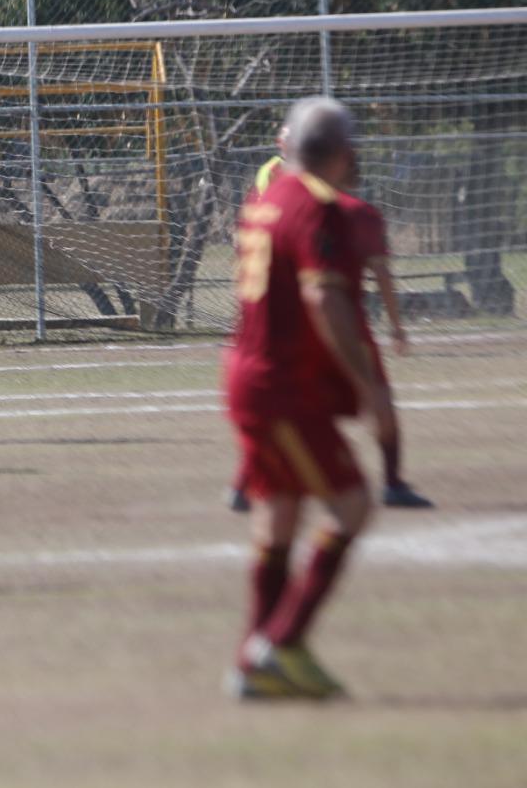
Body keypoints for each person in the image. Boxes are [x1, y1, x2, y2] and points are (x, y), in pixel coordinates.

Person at [223, 97, 385, 700]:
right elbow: (325, 299)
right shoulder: (319, 206)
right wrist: (368, 383)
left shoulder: (264, 199)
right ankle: (279, 644)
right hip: (282, 386)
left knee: (280, 514)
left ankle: (254, 658)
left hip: (251, 374)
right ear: (342, 151)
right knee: (351, 505)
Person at [336, 189, 433, 509]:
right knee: (378, 396)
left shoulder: (283, 205)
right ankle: (392, 482)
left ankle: (247, 483)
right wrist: (397, 327)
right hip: (344, 320)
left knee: (287, 404)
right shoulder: (358, 212)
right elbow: (381, 273)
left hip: (297, 324)